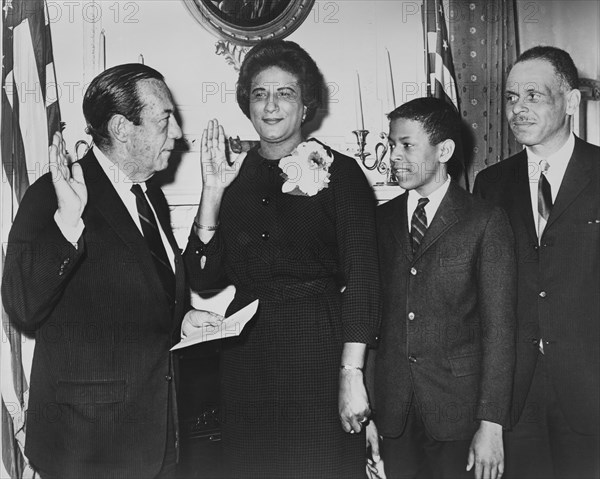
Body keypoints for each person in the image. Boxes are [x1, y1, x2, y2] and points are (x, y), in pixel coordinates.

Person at [183, 39, 380, 478]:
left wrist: (352, 373)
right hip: (246, 359)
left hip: (319, 355)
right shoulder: (229, 173)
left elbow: (365, 279)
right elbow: (202, 278)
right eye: (259, 94)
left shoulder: (340, 172)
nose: (270, 106)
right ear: (246, 103)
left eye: (285, 93)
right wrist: (212, 191)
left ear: (306, 105)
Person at [2, 63, 192, 478]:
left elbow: (144, 295)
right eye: (164, 119)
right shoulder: (55, 194)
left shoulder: (151, 198)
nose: (177, 133)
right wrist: (68, 223)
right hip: (88, 445)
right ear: (122, 128)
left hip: (158, 436)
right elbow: (22, 305)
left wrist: (187, 318)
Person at [366, 97, 516, 479]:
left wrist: (491, 423)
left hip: (459, 415)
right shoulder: (379, 220)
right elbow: (370, 321)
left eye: (407, 144)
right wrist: (370, 414)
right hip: (394, 412)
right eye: (390, 143)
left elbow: (499, 330)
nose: (393, 156)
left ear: (444, 150)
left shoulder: (484, 221)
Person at [473, 46, 600, 479]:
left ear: (570, 102)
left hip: (591, 391)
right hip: (516, 393)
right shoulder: (490, 184)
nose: (518, 109)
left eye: (533, 95)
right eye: (511, 97)